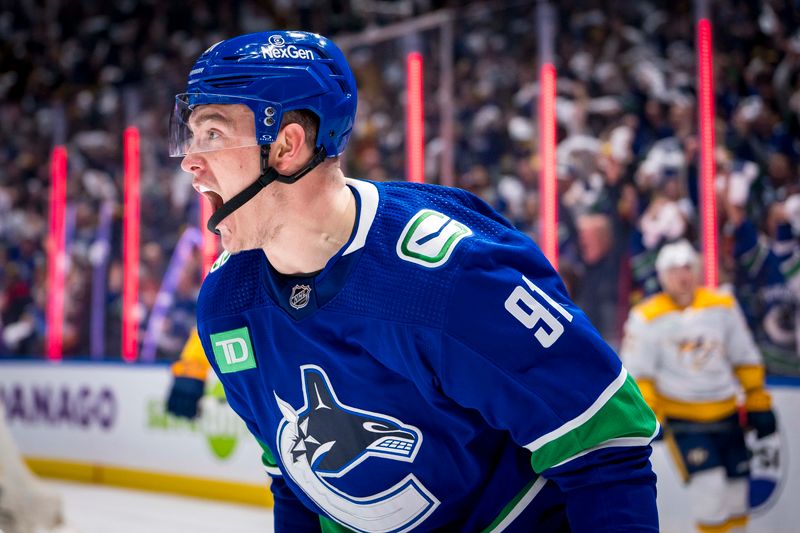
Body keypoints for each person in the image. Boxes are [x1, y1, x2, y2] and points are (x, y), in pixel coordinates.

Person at [171, 30, 659, 532]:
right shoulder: (226, 304)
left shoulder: (450, 276)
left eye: (213, 133)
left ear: (287, 147)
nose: (189, 160)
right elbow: (298, 486)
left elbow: (604, 436)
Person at [620, 239, 778, 533]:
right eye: (674, 270)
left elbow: (745, 357)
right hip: (685, 420)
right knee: (711, 491)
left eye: (687, 268)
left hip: (728, 413)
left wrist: (758, 402)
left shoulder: (721, 304)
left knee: (736, 494)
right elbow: (639, 374)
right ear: (662, 276)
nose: (683, 276)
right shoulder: (647, 316)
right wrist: (648, 415)